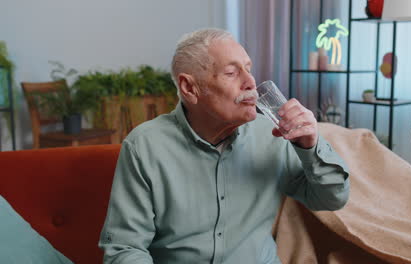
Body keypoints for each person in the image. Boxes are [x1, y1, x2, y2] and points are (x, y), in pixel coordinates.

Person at [99, 28, 349, 264]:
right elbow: (125, 248)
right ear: (190, 88)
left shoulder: (273, 135)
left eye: (249, 69)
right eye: (231, 73)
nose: (251, 82)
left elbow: (331, 199)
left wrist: (311, 147)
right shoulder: (144, 146)